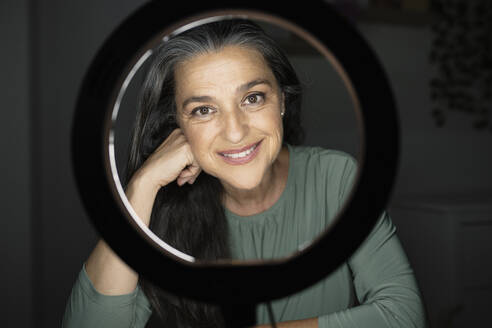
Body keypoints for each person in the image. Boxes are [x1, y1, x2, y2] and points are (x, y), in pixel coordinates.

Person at [62, 19, 427, 328]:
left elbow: (402, 315)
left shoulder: (335, 178)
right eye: (204, 110)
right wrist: (142, 187)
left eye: (253, 98)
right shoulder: (160, 204)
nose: (235, 132)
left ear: (282, 100)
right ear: (178, 126)